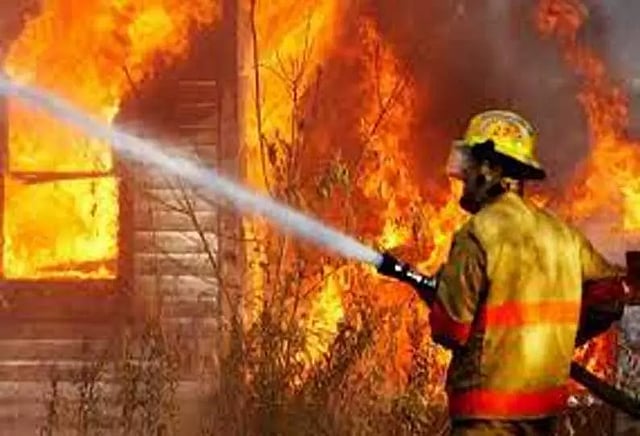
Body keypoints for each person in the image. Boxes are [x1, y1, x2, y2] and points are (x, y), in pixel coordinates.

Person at [426, 110, 628, 435]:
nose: (462, 175)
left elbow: (450, 331)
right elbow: (610, 295)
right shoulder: (563, 235)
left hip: (487, 417)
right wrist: (561, 337)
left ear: (490, 169)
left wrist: (440, 297)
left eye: (470, 165)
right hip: (545, 415)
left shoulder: (478, 233)